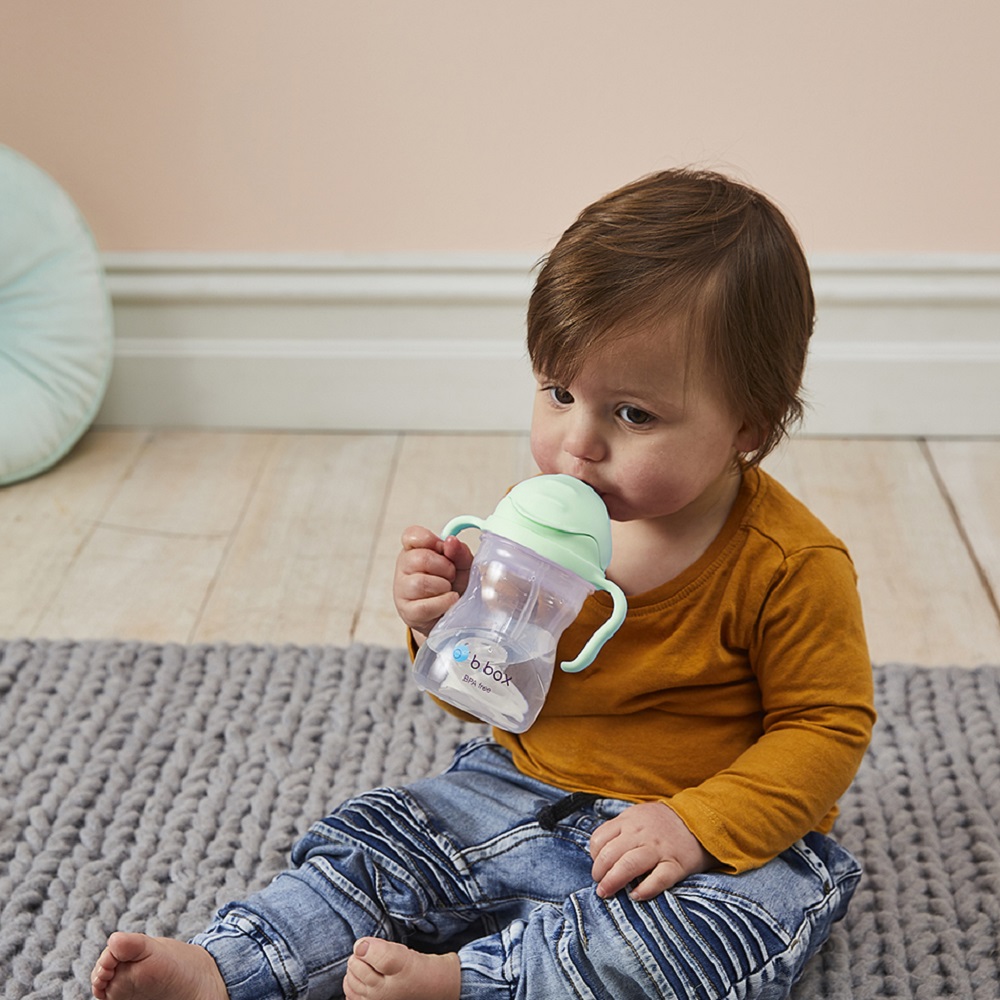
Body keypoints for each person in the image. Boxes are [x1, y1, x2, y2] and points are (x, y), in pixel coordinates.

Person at [91, 168, 875, 1000]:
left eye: (634, 415)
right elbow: (489, 691)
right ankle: (230, 966)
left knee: (708, 943)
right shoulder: (537, 521)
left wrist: (697, 825)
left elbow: (826, 725)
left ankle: (472, 982)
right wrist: (443, 624)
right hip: (516, 790)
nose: (578, 444)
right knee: (381, 840)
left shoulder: (788, 564)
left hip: (699, 842)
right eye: (559, 392)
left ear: (748, 426)